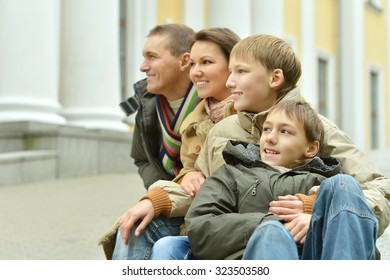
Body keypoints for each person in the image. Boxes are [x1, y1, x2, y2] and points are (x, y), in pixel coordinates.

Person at [151, 34, 386, 259]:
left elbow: (379, 190)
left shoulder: (320, 129)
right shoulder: (222, 130)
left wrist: (318, 211)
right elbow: (203, 193)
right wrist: (163, 195)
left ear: (275, 79)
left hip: (311, 245)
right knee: (144, 233)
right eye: (231, 72)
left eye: (240, 72)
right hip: (240, 244)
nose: (229, 82)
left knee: (340, 185)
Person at [99, 27, 240, 260]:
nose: (143, 67)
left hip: (215, 211)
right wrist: (166, 190)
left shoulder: (217, 108)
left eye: (152, 57)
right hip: (179, 199)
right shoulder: (148, 105)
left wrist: (178, 187)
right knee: (134, 225)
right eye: (196, 64)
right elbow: (142, 158)